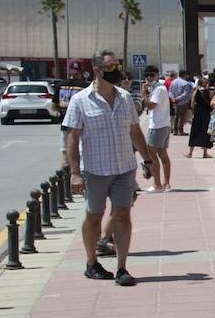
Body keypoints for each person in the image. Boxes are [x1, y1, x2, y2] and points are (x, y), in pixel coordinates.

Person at [65, 50, 150, 287]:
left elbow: (134, 130)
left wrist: (147, 159)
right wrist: (74, 172)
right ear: (97, 70)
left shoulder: (124, 97)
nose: (116, 71)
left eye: (118, 66)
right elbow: (72, 136)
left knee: (122, 214)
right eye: (111, 67)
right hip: (95, 170)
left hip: (124, 167)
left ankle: (122, 267)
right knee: (94, 216)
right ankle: (92, 263)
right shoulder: (80, 100)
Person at [141, 66, 172, 192]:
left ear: (157, 75)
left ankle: (157, 184)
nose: (149, 77)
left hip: (157, 126)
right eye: (147, 75)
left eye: (152, 75)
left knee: (152, 156)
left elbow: (151, 105)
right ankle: (166, 183)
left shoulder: (159, 89)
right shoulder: (158, 88)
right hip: (164, 124)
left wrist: (143, 93)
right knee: (163, 155)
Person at [185, 76, 213, 159]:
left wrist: (193, 112)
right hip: (206, 114)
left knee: (195, 131)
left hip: (198, 114)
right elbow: (212, 103)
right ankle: (205, 153)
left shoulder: (195, 92)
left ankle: (190, 152)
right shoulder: (210, 92)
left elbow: (192, 104)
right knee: (205, 132)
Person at [169, 70, 193, 136]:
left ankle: (175, 130)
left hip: (175, 102)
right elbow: (185, 94)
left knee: (176, 116)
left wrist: (173, 99)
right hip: (183, 102)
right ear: (185, 75)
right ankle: (180, 130)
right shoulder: (186, 83)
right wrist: (177, 99)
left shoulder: (173, 82)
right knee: (181, 116)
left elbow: (170, 92)